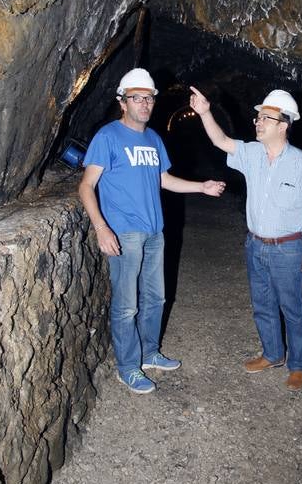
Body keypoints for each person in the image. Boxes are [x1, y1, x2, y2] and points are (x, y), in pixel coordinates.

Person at [79, 68, 225, 395]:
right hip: (124, 233)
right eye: (137, 98)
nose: (144, 103)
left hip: (154, 231)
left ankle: (149, 352)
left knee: (156, 297)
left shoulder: (154, 139)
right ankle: (128, 367)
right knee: (126, 305)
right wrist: (101, 228)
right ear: (123, 102)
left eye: (149, 98)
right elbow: (86, 186)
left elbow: (163, 179)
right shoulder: (108, 137)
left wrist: (201, 187)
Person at [189, 85, 302, 390]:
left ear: (284, 125)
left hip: (288, 248)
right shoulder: (251, 153)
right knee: (262, 304)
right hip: (255, 244)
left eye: (265, 118)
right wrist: (205, 113)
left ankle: (298, 366)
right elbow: (221, 141)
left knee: (293, 308)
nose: (258, 122)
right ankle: (273, 354)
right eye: (258, 117)